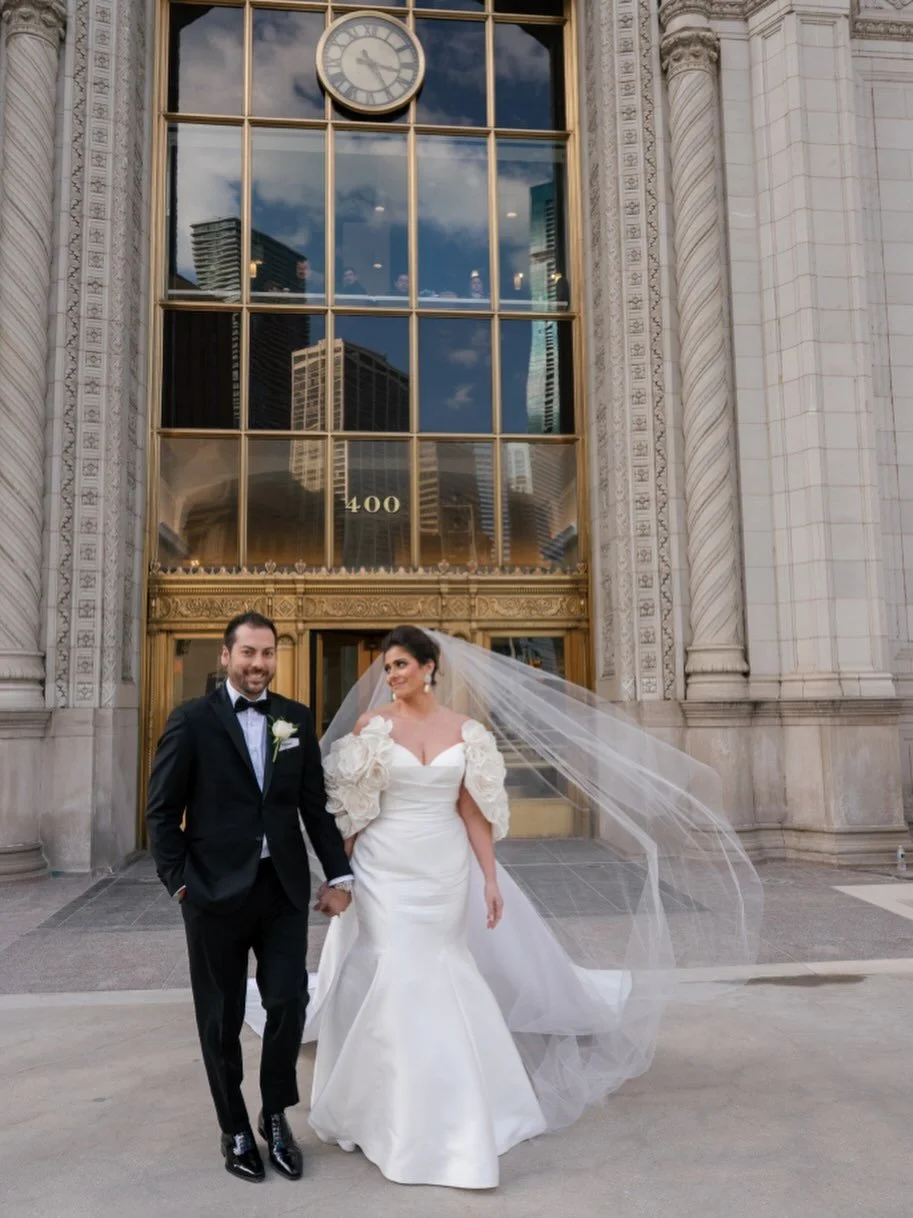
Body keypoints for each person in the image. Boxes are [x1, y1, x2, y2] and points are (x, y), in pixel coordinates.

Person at [245, 625, 762, 1189]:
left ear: (429, 667)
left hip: (443, 867)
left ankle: (456, 1105)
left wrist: (489, 878)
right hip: (383, 868)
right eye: (387, 668)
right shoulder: (373, 728)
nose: (391, 676)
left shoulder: (467, 733)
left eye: (400, 666)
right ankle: (386, 1109)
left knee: (442, 967)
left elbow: (472, 813)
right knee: (394, 971)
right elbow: (355, 810)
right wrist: (338, 878)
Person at [146, 612, 354, 1183]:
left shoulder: (294, 718)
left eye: (267, 654)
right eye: (248, 654)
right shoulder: (191, 720)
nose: (258, 664)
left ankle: (275, 1114)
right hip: (211, 892)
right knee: (220, 1017)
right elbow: (162, 811)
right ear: (226, 656)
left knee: (288, 1002)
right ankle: (233, 1124)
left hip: (281, 888)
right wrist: (180, 883)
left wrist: (339, 876)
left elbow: (314, 807)